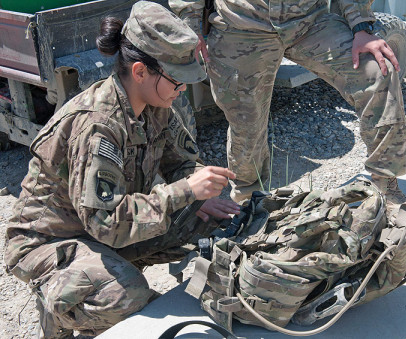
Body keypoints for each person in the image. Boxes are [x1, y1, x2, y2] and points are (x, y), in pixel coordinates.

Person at [3, 2, 240, 337]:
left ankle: (104, 272)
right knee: (125, 298)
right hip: (50, 241)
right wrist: (186, 191)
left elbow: (180, 163)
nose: (183, 88)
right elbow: (107, 224)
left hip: (102, 227)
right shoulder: (98, 126)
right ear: (140, 72)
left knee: (219, 223)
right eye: (176, 80)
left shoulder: (154, 103)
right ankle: (62, 306)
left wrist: (200, 198)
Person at [170, 0, 406, 232]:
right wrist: (189, 26)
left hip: (309, 22)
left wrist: (361, 26)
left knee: (376, 71)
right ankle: (250, 199)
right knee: (246, 120)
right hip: (242, 26)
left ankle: (386, 186)